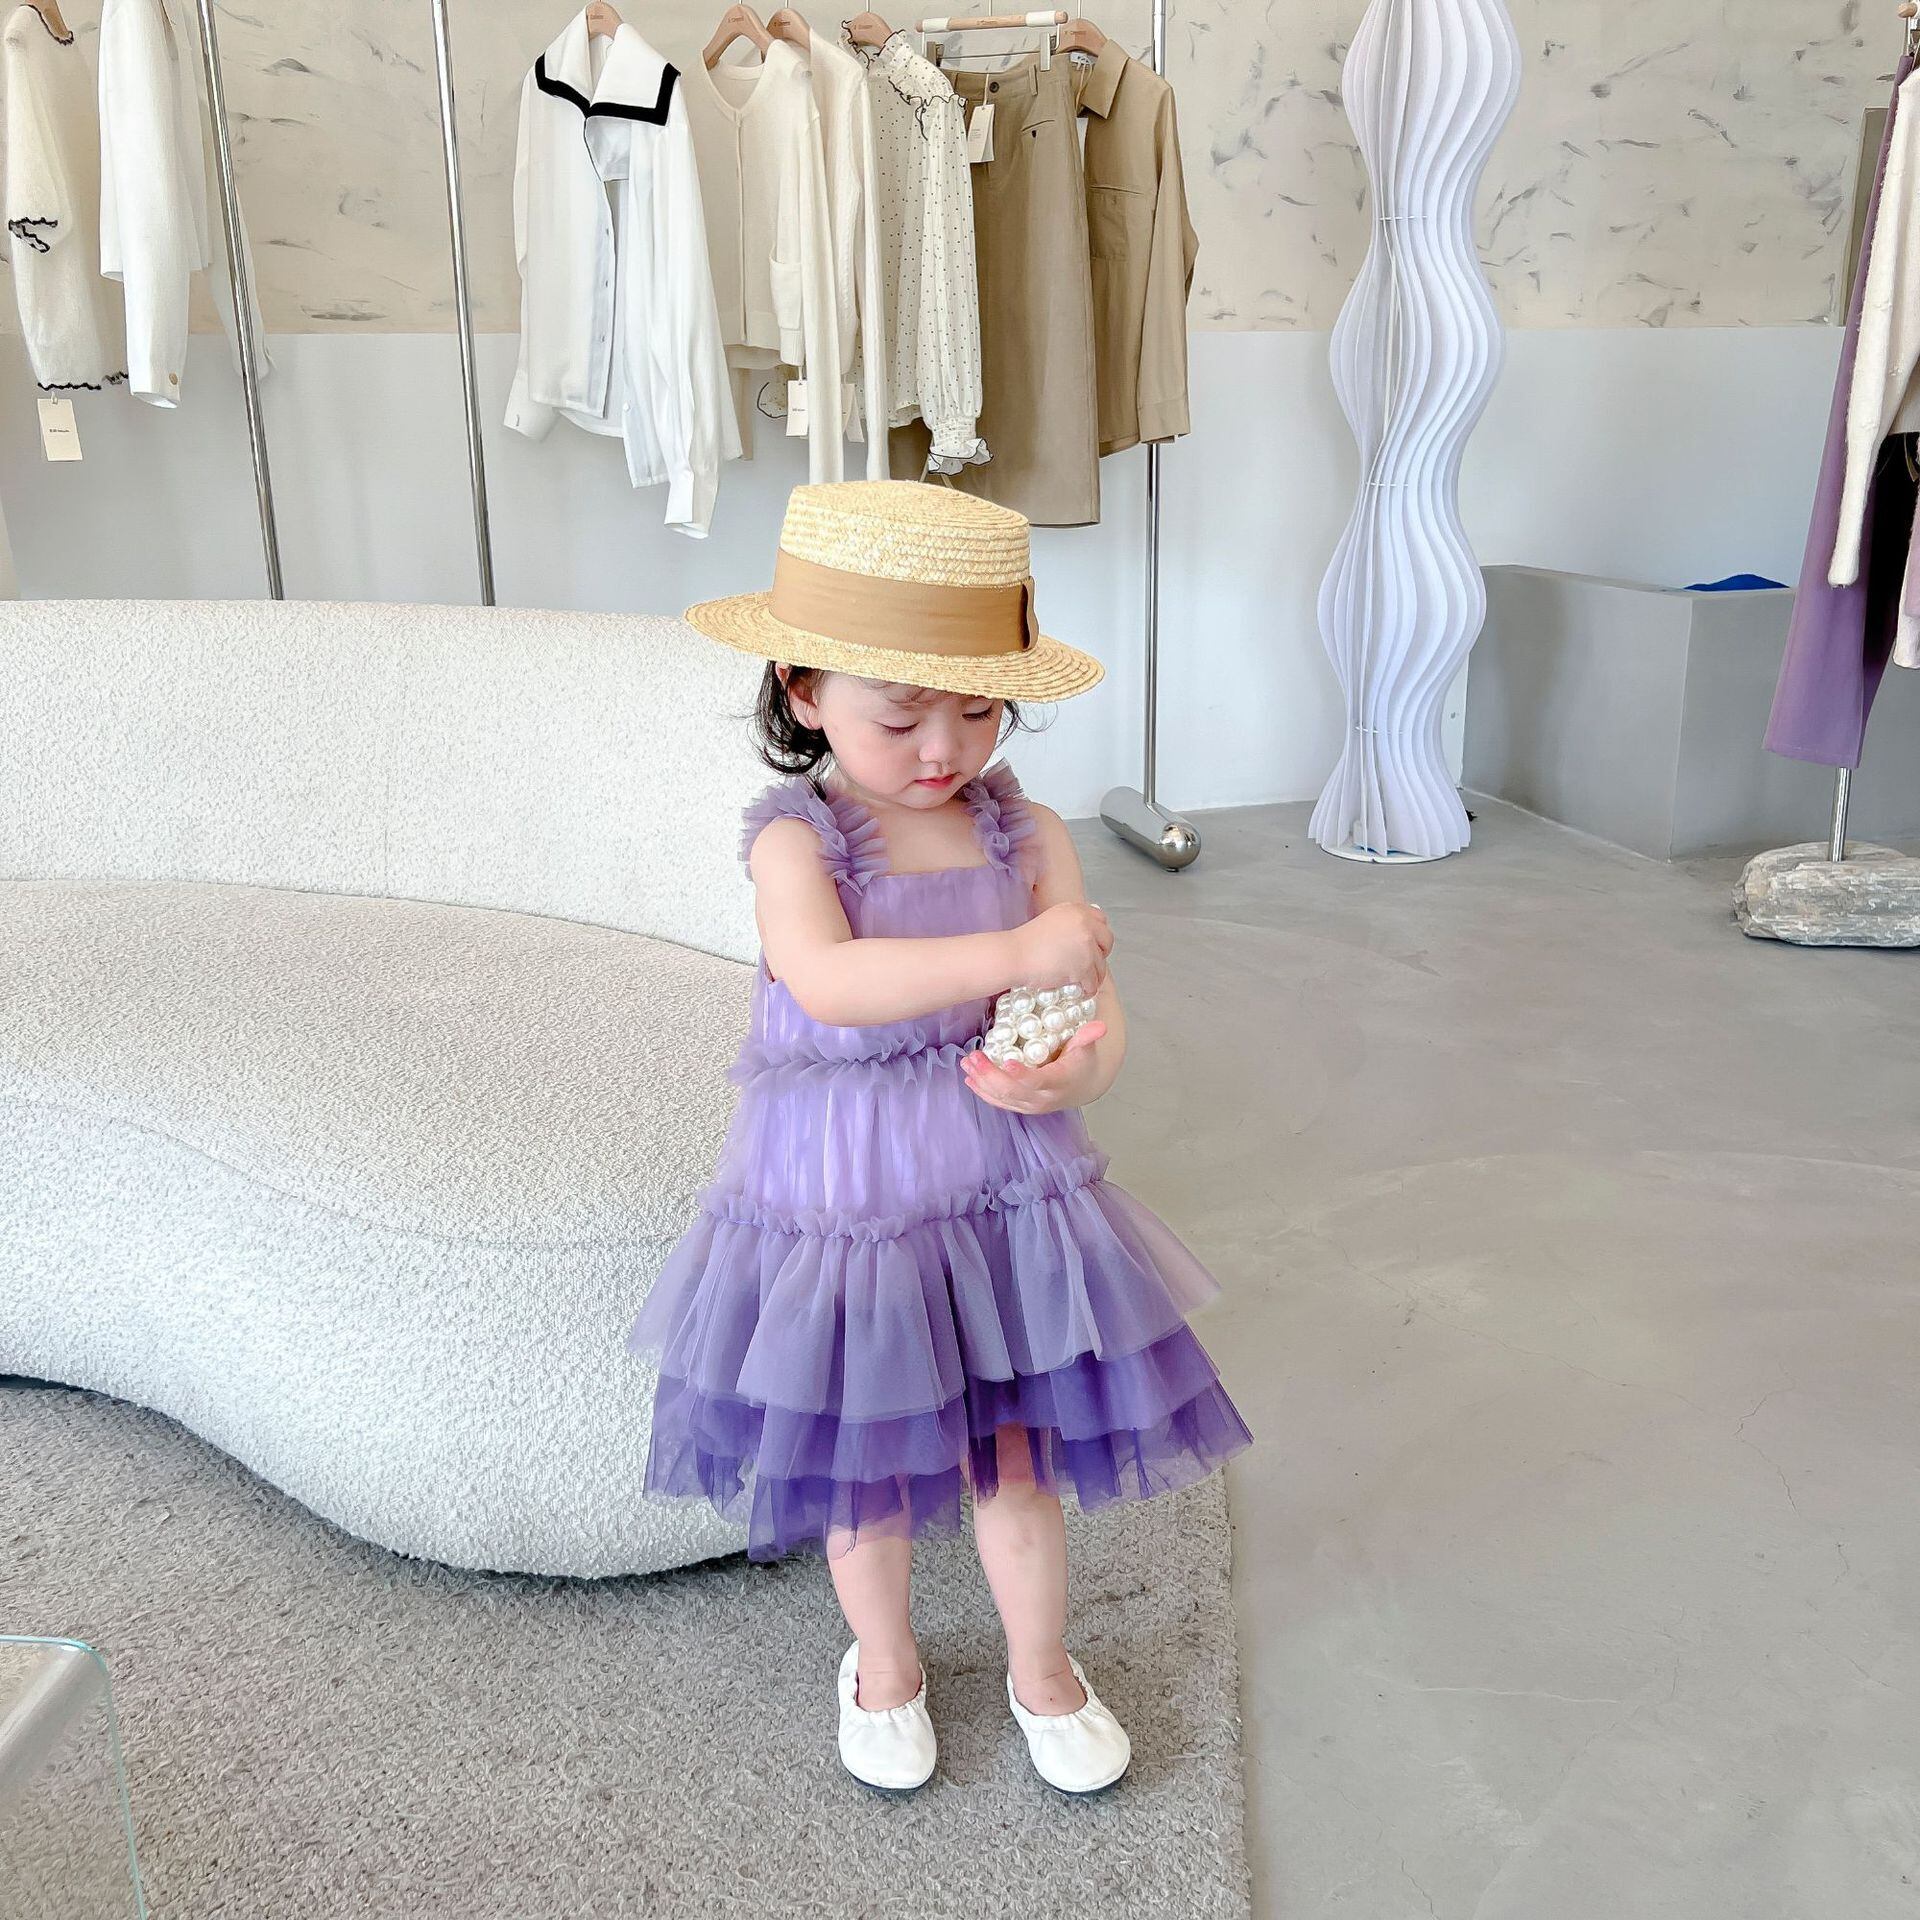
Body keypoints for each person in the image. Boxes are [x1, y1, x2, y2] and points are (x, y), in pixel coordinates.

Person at [626, 478, 1254, 1797]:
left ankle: (1042, 1665)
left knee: (1017, 1451)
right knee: (869, 1456)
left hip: (1000, 1177)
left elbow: (1090, 1006)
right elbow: (830, 983)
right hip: (849, 1182)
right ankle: (885, 1660)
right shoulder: (798, 841)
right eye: (900, 715)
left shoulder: (1023, 829)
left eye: (977, 710)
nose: (942, 749)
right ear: (804, 691)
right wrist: (1020, 951)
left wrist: (1080, 1069)